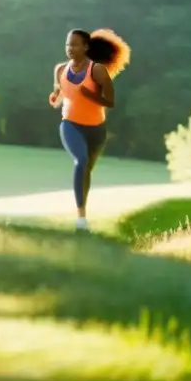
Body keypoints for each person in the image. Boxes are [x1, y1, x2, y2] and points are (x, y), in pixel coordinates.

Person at [49, 28, 130, 232]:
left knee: (86, 171)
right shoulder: (60, 69)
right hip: (70, 124)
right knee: (81, 162)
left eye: (75, 44)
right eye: (68, 44)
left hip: (96, 130)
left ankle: (82, 212)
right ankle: (81, 218)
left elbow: (109, 102)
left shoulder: (97, 71)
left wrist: (90, 95)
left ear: (86, 47)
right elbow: (59, 91)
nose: (70, 48)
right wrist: (55, 98)